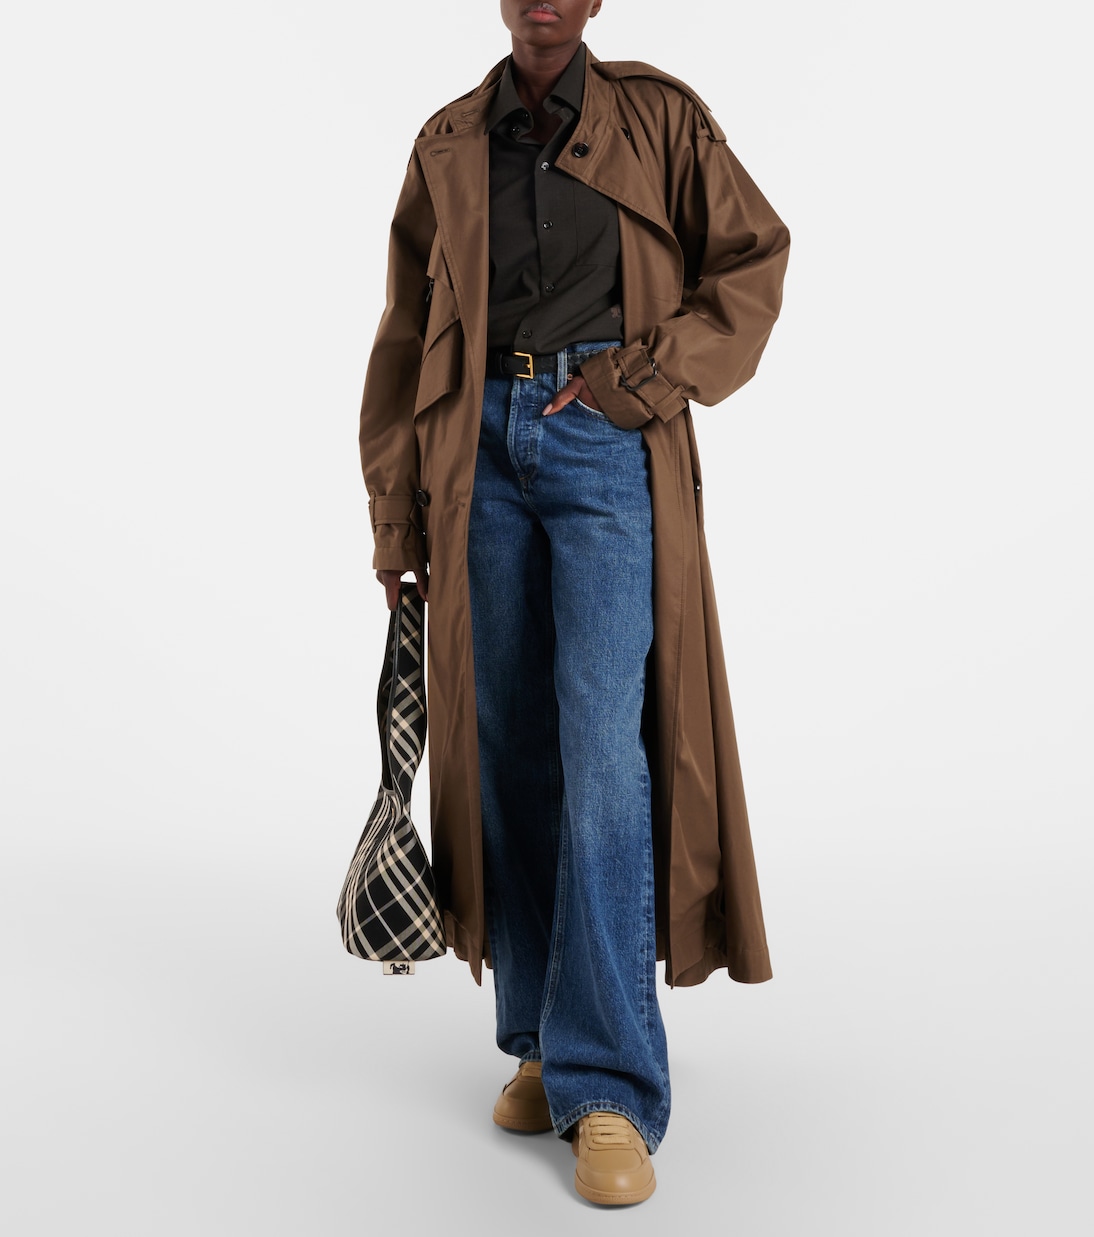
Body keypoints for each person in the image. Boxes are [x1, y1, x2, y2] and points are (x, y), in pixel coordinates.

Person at [358, 0, 789, 1207]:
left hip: (603, 444)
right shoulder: (449, 139)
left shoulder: (660, 119)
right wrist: (396, 516)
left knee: (602, 744)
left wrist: (634, 382)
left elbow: (750, 260)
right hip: (474, 458)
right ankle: (544, 1043)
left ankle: (608, 1085)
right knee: (508, 745)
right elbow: (403, 334)